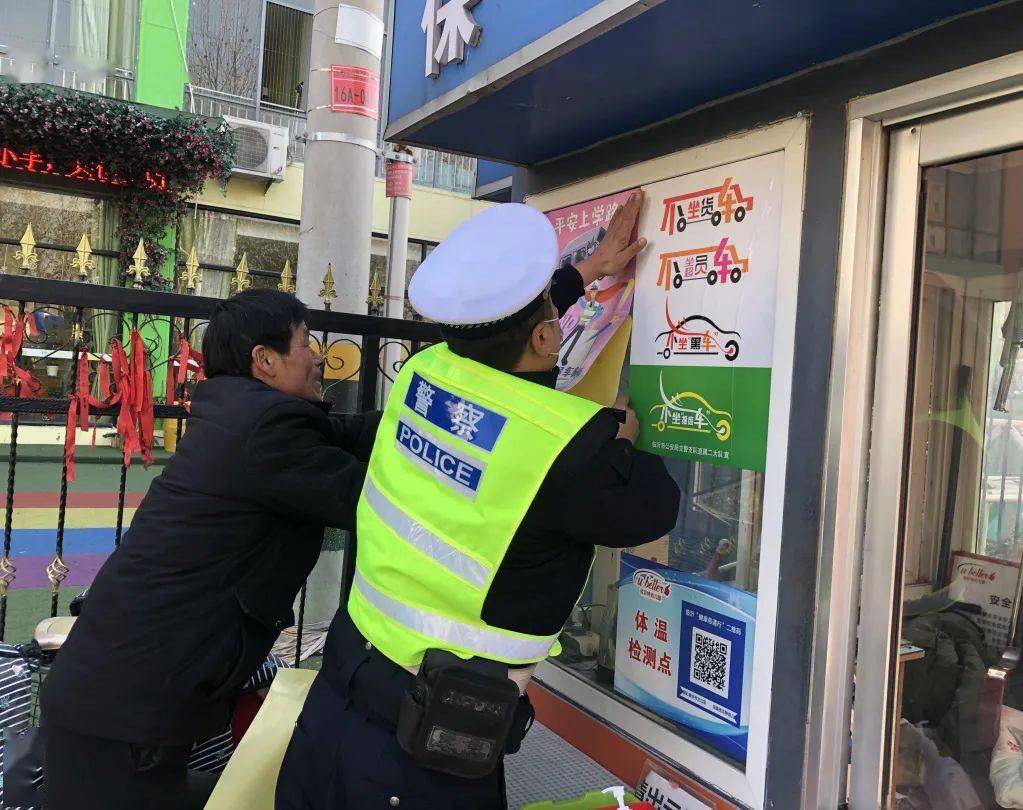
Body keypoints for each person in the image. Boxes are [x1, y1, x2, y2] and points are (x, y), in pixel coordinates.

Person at [276, 193, 681, 810]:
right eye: (551, 305)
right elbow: (657, 505)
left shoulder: (426, 372)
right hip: (421, 754)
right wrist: (621, 436)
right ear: (547, 335)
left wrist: (588, 270)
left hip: (338, 698)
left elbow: (506, 333)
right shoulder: (568, 450)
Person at [41, 289, 382, 810]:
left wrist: (424, 412)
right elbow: (376, 503)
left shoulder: (239, 415)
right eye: (305, 342)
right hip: (126, 711)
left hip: (118, 693)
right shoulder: (265, 431)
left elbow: (345, 432)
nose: (318, 354)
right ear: (264, 361)